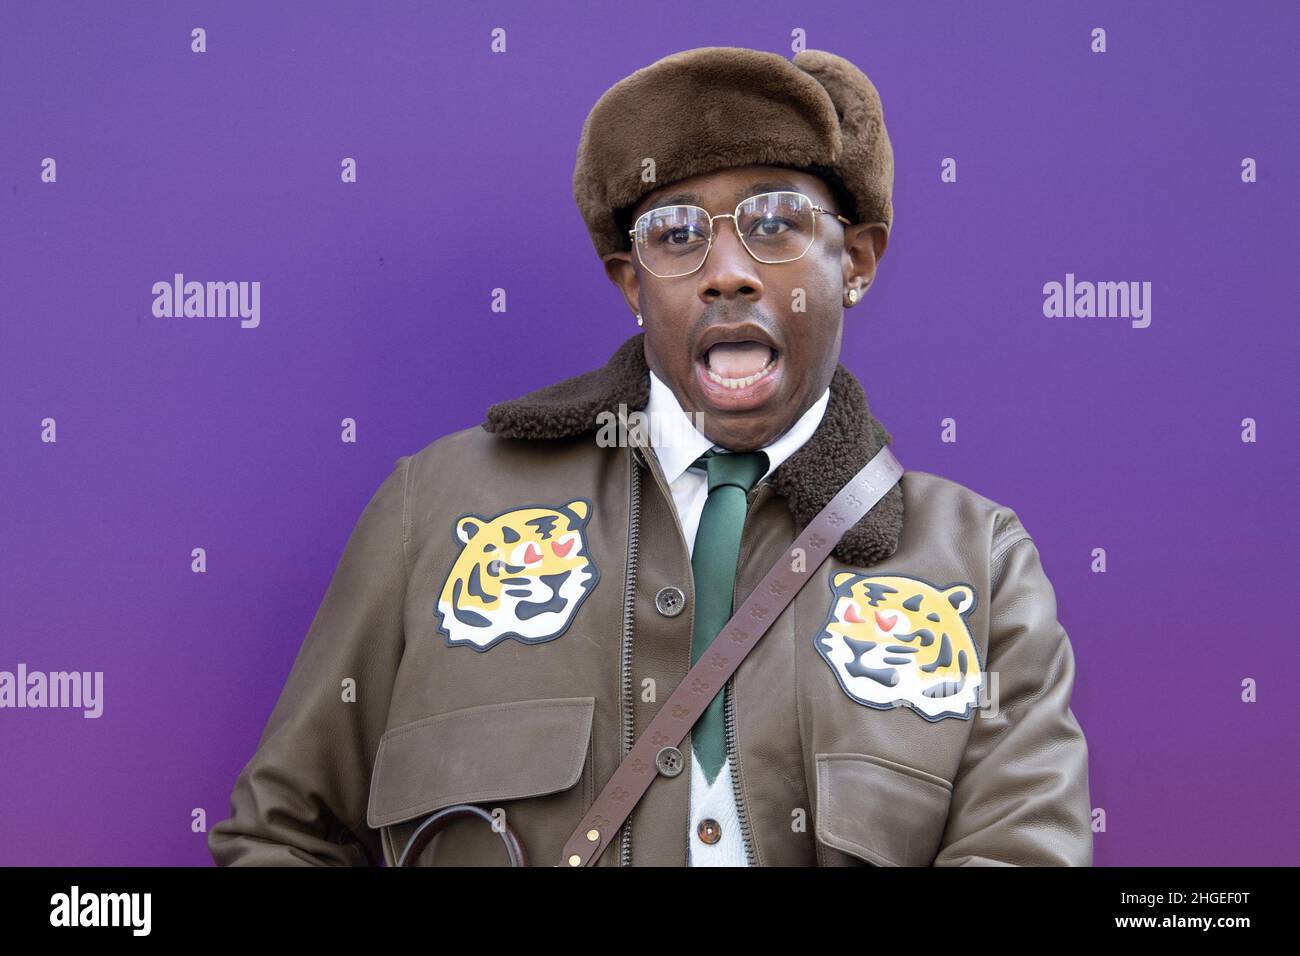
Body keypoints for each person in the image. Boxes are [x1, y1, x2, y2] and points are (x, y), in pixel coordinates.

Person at [209, 45, 1092, 867]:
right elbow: (285, 836)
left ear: (855, 261)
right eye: (675, 235)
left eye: (777, 222)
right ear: (633, 284)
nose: (726, 273)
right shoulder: (436, 508)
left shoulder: (978, 565)